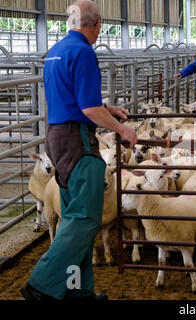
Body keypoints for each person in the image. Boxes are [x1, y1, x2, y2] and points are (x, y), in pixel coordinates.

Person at [21, 0, 137, 301]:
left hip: (57, 138)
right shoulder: (84, 52)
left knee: (76, 216)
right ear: (96, 25)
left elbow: (73, 98)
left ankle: (76, 290)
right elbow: (87, 109)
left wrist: (107, 108)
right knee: (85, 218)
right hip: (77, 141)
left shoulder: (56, 52)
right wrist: (122, 129)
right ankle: (42, 283)